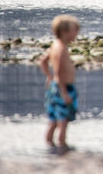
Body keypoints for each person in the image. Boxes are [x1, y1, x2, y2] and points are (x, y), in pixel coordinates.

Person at [39, 14, 80, 153]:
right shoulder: (61, 49)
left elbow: (43, 61)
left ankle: (50, 147)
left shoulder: (54, 45)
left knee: (53, 122)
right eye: (75, 30)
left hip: (55, 87)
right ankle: (63, 147)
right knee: (63, 122)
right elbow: (59, 70)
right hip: (64, 88)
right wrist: (63, 92)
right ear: (65, 31)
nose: (77, 34)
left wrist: (49, 77)